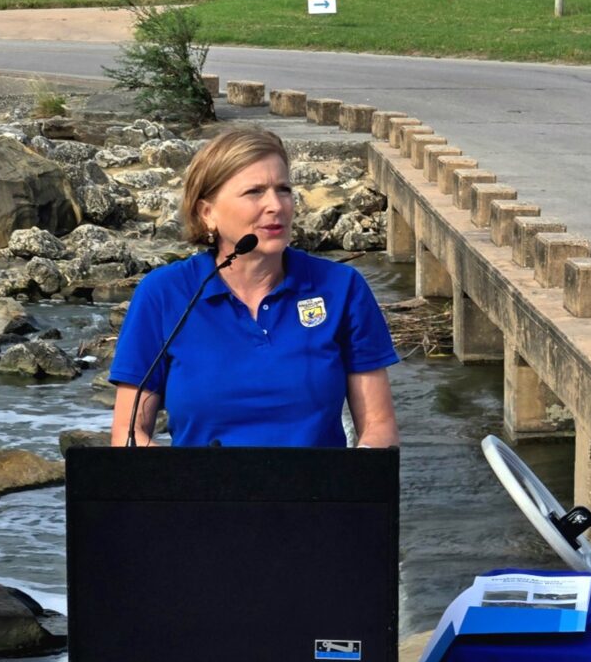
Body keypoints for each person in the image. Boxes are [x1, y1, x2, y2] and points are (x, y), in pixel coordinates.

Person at [109, 128, 400, 448]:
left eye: (283, 189)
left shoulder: (342, 289)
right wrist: (181, 487)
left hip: (317, 495)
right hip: (199, 495)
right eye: (255, 192)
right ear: (208, 214)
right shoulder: (163, 294)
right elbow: (129, 433)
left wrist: (354, 478)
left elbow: (379, 425)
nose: (276, 205)